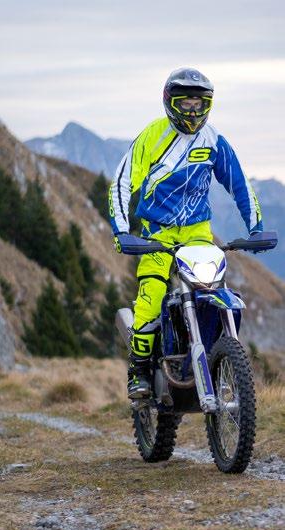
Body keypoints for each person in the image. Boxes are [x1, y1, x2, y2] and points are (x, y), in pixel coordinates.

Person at [109, 67, 263, 399]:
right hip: (155, 234)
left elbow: (239, 185)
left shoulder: (215, 141)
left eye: (199, 104)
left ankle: (214, 357)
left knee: (213, 294)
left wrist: (256, 227)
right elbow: (121, 183)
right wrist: (121, 231)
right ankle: (139, 370)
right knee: (150, 298)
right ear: (170, 103)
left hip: (197, 234)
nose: (193, 112)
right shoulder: (152, 136)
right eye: (186, 104)